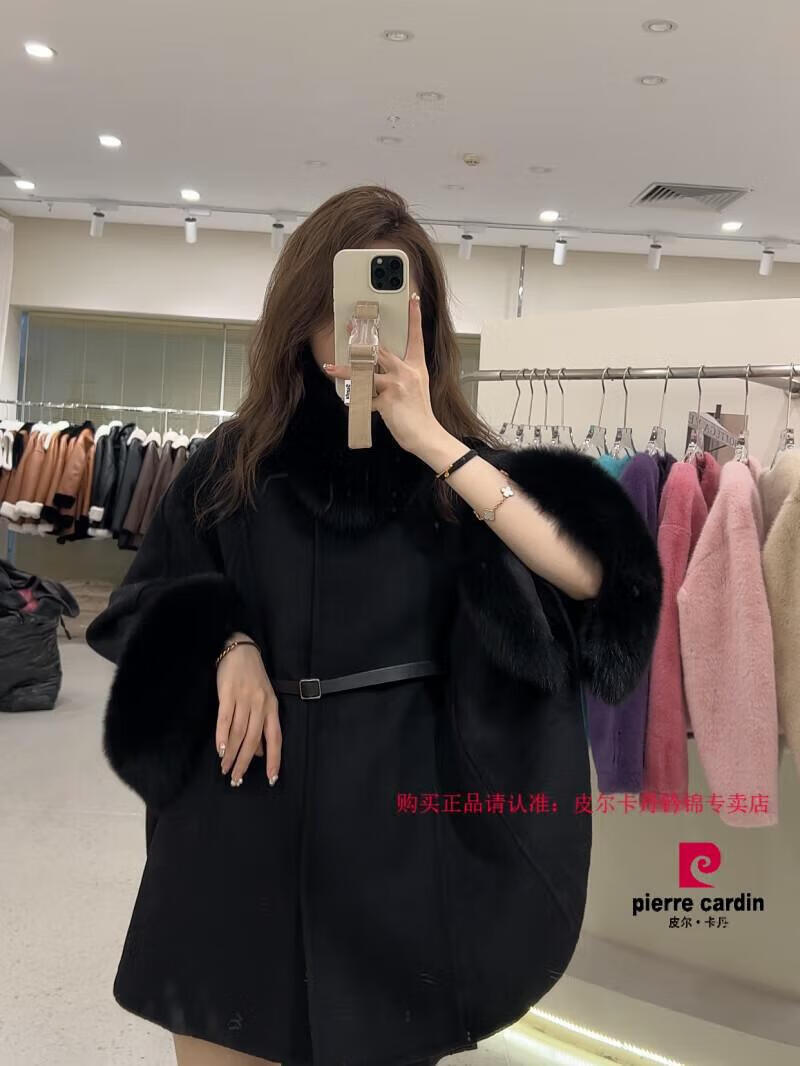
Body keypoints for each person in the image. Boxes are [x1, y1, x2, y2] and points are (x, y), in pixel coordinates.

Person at [86, 185, 662, 1066]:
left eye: (386, 307)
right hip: (237, 823)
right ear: (299, 313)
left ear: (421, 321)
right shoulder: (233, 463)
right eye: (334, 307)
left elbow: (596, 580)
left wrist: (432, 442)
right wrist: (226, 643)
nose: (357, 332)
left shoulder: (463, 473)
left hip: (397, 846)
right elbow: (143, 601)